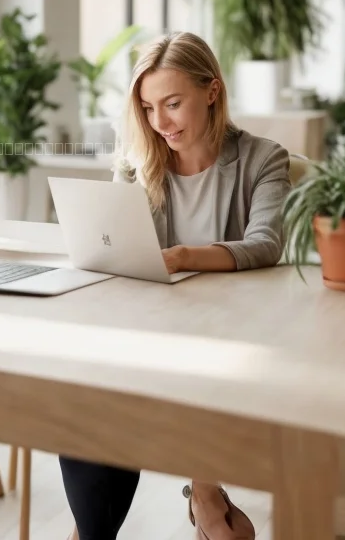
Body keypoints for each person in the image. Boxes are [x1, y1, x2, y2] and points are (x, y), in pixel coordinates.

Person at [59, 32, 291, 540]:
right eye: (147, 107)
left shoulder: (264, 159)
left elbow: (266, 244)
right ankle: (95, 528)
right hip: (149, 325)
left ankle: (203, 490)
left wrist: (183, 256)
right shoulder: (137, 163)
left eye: (172, 103)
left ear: (212, 91)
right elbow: (118, 249)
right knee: (91, 389)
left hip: (234, 329)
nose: (160, 123)